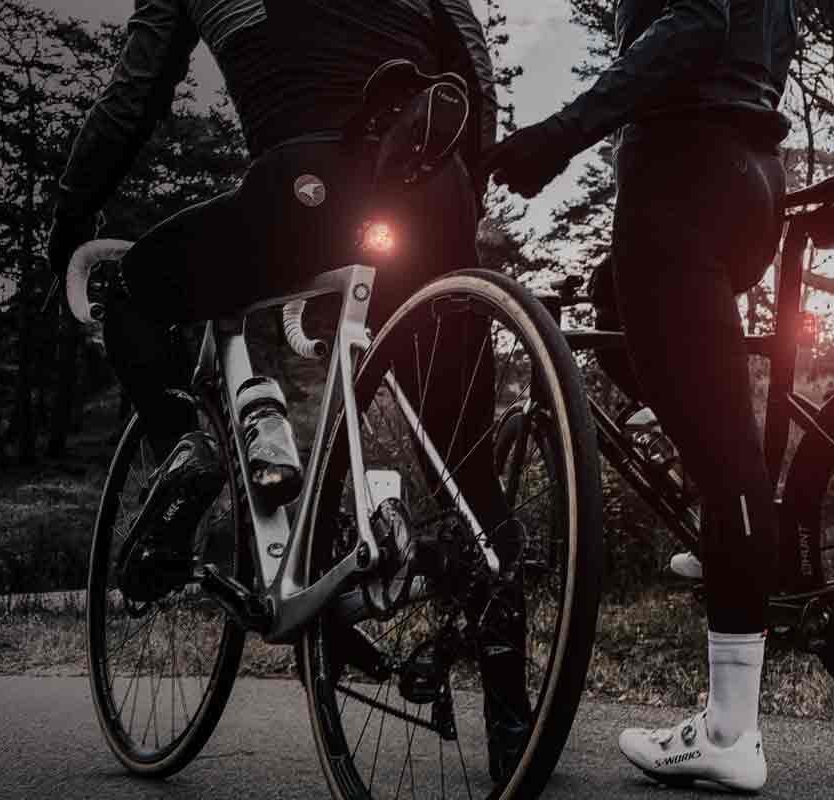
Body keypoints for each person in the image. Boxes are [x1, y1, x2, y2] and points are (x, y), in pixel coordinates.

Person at [46, 0, 532, 783]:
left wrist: (69, 214)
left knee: (135, 294)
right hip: (432, 190)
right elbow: (472, 59)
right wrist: (466, 187)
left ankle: (187, 444)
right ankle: (516, 723)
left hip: (305, 184)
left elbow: (133, 96)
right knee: (465, 470)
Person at [481, 0, 797, 792]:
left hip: (681, 179)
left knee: (728, 456)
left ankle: (728, 731)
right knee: (614, 300)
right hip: (753, 175)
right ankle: (722, 516)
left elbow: (693, 20)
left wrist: (560, 134)